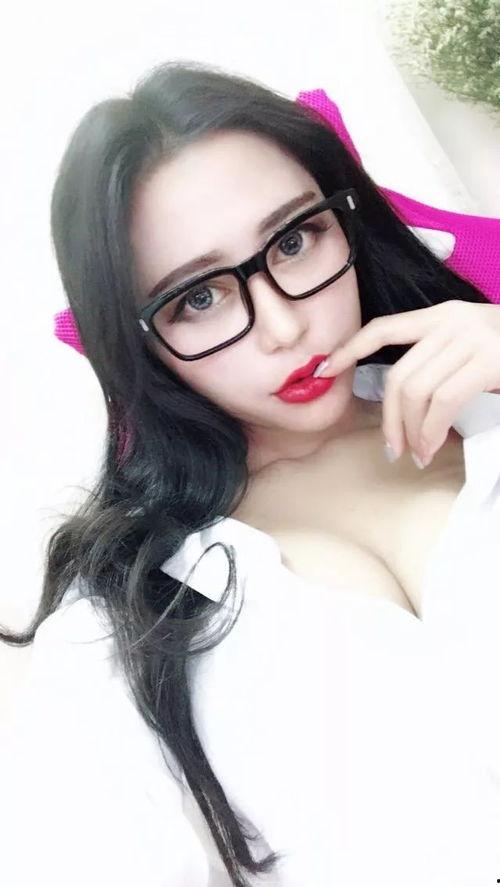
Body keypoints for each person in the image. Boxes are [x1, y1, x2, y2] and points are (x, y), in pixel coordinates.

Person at [1, 59, 500, 887]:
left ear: (345, 217)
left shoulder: (486, 399)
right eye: (197, 298)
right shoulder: (121, 626)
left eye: (295, 240)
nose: (282, 325)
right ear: (139, 342)